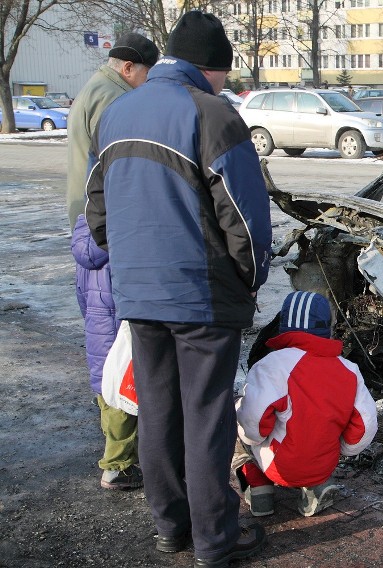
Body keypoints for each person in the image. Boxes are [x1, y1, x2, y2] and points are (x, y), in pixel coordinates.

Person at [85, 11, 273, 567]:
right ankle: (215, 540)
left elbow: (98, 213)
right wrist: (250, 277)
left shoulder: (118, 110)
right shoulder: (213, 115)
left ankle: (171, 528)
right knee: (206, 417)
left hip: (138, 294)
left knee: (159, 411)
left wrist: (132, 261)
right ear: (210, 69)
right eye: (223, 74)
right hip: (201, 295)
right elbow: (244, 218)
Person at [67, 32, 159, 491]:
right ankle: (119, 463)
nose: (146, 84)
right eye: (146, 74)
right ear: (131, 67)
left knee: (106, 366)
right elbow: (120, 167)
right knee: (126, 371)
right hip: (114, 257)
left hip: (91, 247)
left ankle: (117, 455)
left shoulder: (92, 88)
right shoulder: (114, 101)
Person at [234, 291, 378, 518]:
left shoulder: (270, 366)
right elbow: (364, 428)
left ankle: (257, 484)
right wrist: (342, 450)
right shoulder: (350, 370)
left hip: (279, 466)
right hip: (323, 464)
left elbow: (252, 426)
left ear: (283, 324)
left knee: (235, 419)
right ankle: (315, 485)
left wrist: (245, 431)